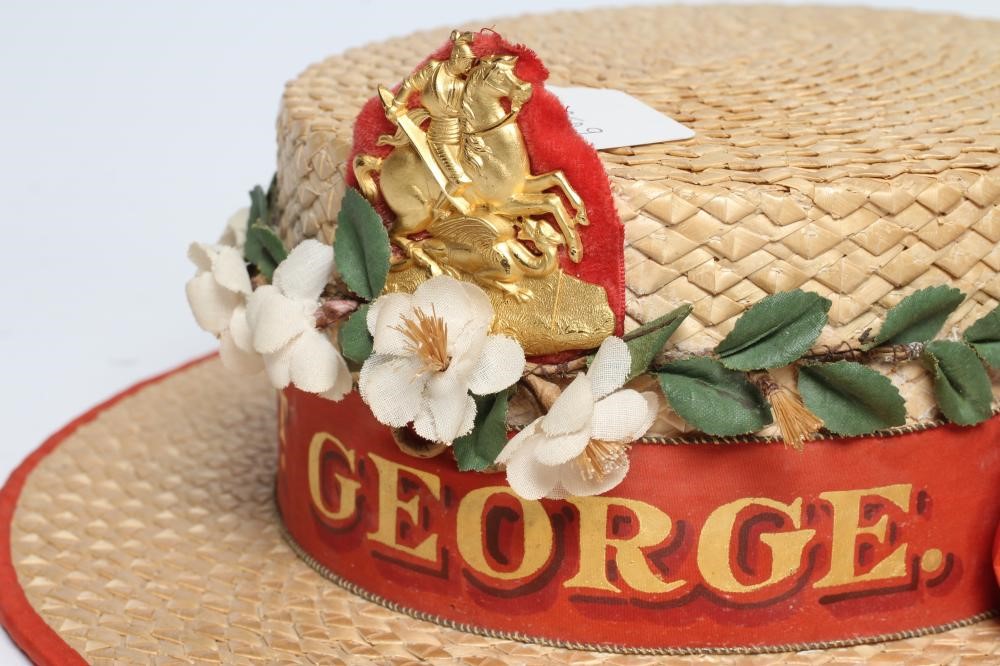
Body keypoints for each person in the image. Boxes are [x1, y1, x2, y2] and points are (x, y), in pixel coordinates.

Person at [384, 30, 476, 196]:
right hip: (438, 135)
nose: (469, 67)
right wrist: (397, 104)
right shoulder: (434, 70)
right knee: (457, 179)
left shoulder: (462, 84)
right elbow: (410, 83)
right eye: (467, 62)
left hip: (462, 137)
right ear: (456, 58)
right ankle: (439, 209)